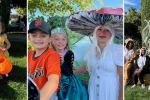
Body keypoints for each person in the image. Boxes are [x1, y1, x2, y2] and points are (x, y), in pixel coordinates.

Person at [75, 24, 123, 100]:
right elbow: (87, 67)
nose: (102, 32)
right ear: (95, 32)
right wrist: (70, 70)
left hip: (109, 90)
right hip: (93, 89)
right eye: (99, 29)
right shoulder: (91, 50)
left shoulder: (117, 50)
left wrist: (121, 97)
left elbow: (122, 76)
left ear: (111, 34)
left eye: (107, 30)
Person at [51, 27, 88, 100]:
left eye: (63, 39)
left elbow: (70, 68)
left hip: (70, 81)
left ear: (66, 41)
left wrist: (63, 63)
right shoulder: (50, 54)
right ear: (52, 41)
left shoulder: (69, 53)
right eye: (57, 39)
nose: (60, 42)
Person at [28, 19, 61, 100]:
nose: (38, 39)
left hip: (47, 95)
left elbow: (53, 81)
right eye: (34, 35)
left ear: (50, 39)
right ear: (29, 38)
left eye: (43, 35)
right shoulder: (29, 54)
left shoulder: (52, 56)